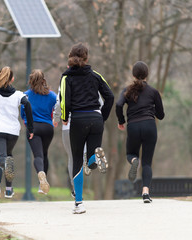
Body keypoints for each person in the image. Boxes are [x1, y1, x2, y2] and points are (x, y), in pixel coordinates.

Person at [59, 43, 114, 214]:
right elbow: (110, 96)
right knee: (90, 155)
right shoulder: (96, 75)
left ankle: (79, 203)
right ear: (87, 58)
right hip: (96, 118)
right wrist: (102, 116)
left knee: (77, 159)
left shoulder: (66, 78)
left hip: (78, 119)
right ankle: (94, 160)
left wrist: (64, 117)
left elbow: (64, 101)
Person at [0, 66, 34, 203]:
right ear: (12, 79)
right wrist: (31, 128)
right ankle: (8, 188)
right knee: (8, 154)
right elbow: (27, 104)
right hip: (13, 132)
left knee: (2, 158)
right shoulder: (18, 95)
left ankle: (2, 173)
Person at [115, 61, 165, 203]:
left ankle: (134, 160)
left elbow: (118, 105)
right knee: (147, 163)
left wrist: (121, 121)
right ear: (147, 75)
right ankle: (145, 193)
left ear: (133, 75)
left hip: (133, 126)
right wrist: (150, 110)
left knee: (131, 154)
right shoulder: (154, 92)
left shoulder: (127, 91)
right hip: (150, 126)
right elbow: (161, 116)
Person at [21, 69, 57, 195]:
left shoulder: (26, 95)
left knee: (38, 156)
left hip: (33, 128)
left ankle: (40, 173)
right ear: (43, 80)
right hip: (48, 128)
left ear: (30, 81)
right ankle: (43, 185)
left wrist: (27, 124)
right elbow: (58, 107)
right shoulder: (52, 96)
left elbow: (22, 114)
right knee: (44, 154)